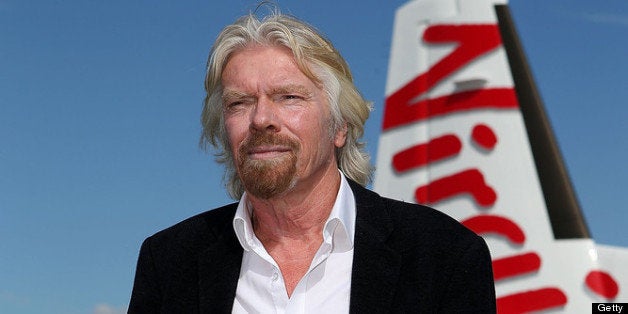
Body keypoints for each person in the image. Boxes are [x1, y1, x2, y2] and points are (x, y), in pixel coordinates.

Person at [128, 11, 496, 313]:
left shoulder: (444, 256)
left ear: (340, 126)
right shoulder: (168, 262)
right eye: (239, 102)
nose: (260, 119)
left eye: (288, 97)